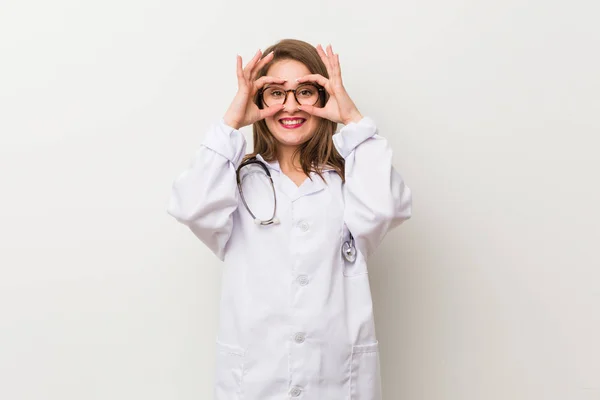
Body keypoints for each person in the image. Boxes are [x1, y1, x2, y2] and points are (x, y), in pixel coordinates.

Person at [167, 38, 412, 400]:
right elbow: (191, 206)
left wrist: (353, 120)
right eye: (276, 92)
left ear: (325, 97)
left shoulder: (349, 181)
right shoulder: (237, 180)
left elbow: (386, 208)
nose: (291, 106)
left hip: (335, 382)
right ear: (258, 100)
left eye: (306, 92)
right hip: (255, 382)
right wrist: (232, 121)